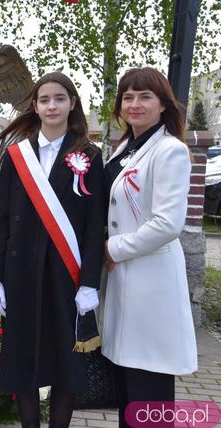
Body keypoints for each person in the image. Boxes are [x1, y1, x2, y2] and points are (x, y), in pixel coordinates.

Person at [0, 72, 105, 428]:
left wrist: (89, 282)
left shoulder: (89, 155)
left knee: (64, 361)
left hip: (65, 276)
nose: (51, 105)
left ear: (72, 103)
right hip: (20, 273)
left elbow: (94, 224)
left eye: (59, 98)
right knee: (23, 357)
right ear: (35, 107)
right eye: (44, 99)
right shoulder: (16, 156)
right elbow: (2, 220)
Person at [102, 67, 197, 427]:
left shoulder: (170, 150)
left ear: (163, 105)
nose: (135, 104)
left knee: (150, 383)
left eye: (145, 96)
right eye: (128, 96)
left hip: (151, 281)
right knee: (129, 385)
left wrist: (113, 248)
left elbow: (168, 224)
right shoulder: (127, 145)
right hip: (124, 279)